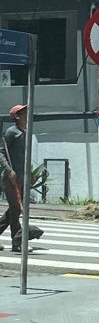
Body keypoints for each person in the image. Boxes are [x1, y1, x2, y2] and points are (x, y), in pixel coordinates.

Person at [0, 104, 27, 252]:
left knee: (13, 211)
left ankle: (17, 241)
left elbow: (25, 157)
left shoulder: (25, 132)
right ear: (17, 116)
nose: (27, 114)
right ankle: (17, 243)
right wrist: (9, 170)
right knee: (16, 209)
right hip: (10, 178)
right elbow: (1, 152)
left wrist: (31, 174)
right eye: (23, 113)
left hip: (21, 178)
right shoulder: (11, 132)